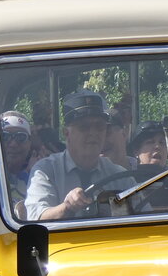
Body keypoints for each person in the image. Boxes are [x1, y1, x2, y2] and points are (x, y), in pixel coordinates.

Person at [24, 91, 124, 221]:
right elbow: (37, 219)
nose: (93, 133)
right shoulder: (46, 170)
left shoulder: (118, 175)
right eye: (84, 127)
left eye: (99, 126)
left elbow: (142, 216)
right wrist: (67, 207)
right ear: (66, 133)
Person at [0, 110, 34, 201]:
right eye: (5, 137)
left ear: (30, 143)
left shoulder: (39, 178)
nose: (13, 144)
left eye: (21, 137)